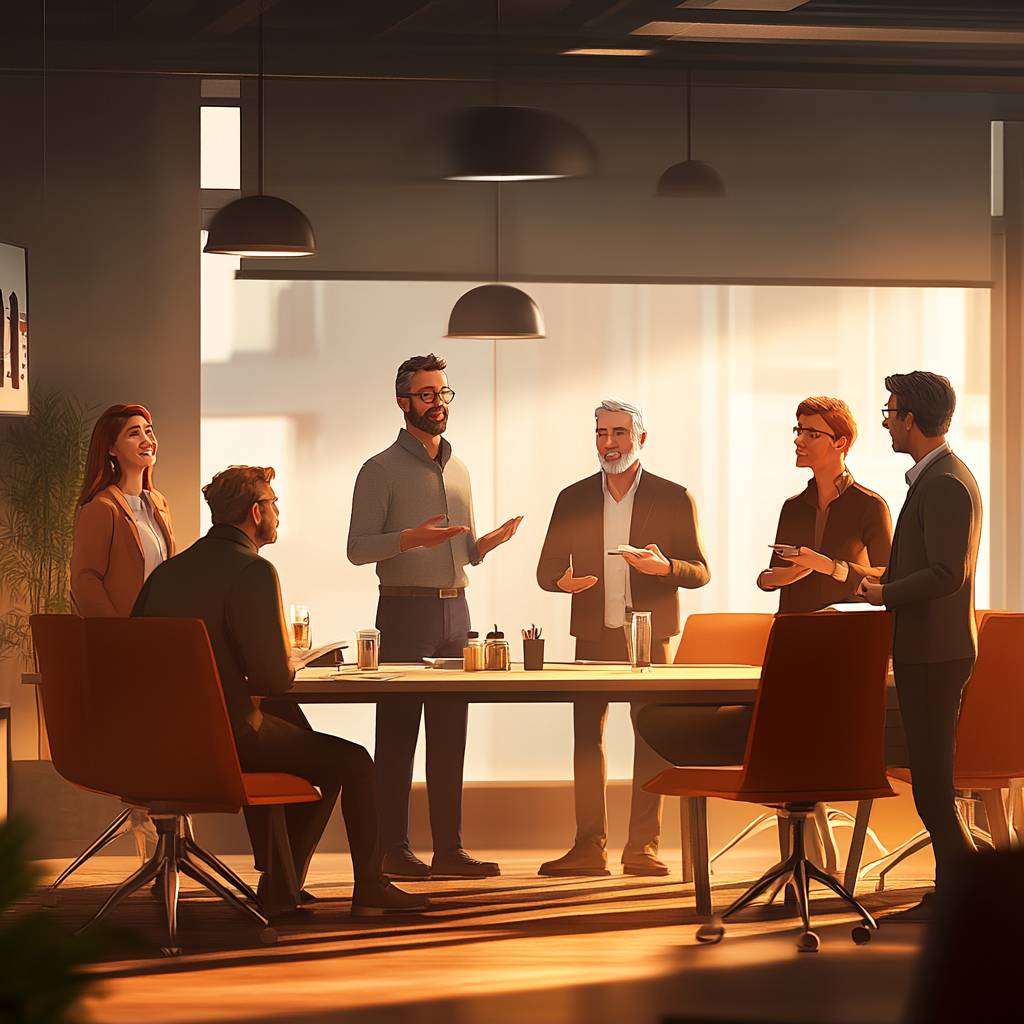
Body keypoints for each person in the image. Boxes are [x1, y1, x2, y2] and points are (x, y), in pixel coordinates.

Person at [133, 465, 427, 919]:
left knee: (297, 732)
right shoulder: (253, 570)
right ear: (255, 513)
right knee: (352, 761)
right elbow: (272, 680)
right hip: (226, 741)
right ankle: (368, 888)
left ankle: (282, 885)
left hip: (158, 742)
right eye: (273, 504)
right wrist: (286, 659)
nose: (277, 512)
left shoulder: (166, 575)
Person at [347, 353, 523, 880]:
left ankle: (450, 848)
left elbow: (461, 550)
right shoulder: (379, 470)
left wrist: (484, 544)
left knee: (451, 734)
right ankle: (391, 848)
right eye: (427, 395)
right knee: (397, 738)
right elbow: (358, 549)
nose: (438, 403)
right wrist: (409, 538)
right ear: (403, 402)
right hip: (402, 610)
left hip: (456, 613)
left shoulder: (461, 467)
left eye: (443, 393)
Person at [535, 399, 710, 877]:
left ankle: (642, 850)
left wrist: (665, 567)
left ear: (640, 439)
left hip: (650, 641)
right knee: (585, 740)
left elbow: (700, 571)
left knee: (650, 739)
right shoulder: (571, 498)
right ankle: (588, 848)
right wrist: (561, 583)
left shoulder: (674, 496)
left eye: (618, 433)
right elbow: (545, 570)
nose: (608, 443)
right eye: (600, 433)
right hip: (593, 637)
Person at [857, 372, 982, 923]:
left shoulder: (946, 482)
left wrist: (884, 591)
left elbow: (944, 574)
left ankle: (966, 895)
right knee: (931, 783)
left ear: (910, 419)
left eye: (890, 412)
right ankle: (958, 893)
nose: (886, 421)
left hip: (935, 653)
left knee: (933, 784)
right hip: (924, 650)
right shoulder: (933, 479)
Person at [757, 396, 892, 612]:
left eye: (812, 434)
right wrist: (782, 576)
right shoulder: (793, 507)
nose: (799, 441)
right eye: (798, 431)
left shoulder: (870, 505)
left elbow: (888, 577)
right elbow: (772, 574)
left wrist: (831, 567)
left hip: (846, 631)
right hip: (793, 631)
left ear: (840, 442)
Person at [72, 404, 175, 616]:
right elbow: (85, 581)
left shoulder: (158, 503)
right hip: (122, 635)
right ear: (111, 448)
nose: (147, 441)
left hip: (159, 628)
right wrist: (117, 631)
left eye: (148, 431)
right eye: (133, 434)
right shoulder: (102, 507)